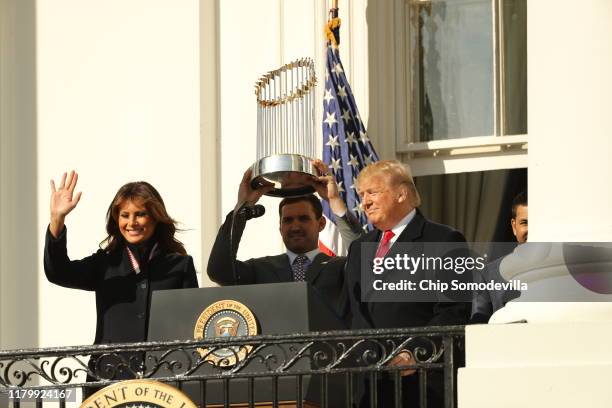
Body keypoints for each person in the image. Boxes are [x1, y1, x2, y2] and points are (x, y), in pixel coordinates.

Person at [44, 171, 198, 383]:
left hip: (165, 380)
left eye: (140, 214)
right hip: (109, 378)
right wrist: (57, 219)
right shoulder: (105, 262)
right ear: (117, 219)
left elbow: (191, 326)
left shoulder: (179, 265)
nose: (131, 222)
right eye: (125, 215)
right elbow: (58, 272)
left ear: (155, 217)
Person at [343, 160, 470, 407]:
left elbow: (455, 311)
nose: (364, 202)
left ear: (401, 193)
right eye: (361, 194)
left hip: (421, 383)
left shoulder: (444, 240)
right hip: (369, 388)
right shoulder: (359, 248)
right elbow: (354, 312)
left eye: (373, 192)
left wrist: (415, 351)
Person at [206, 167, 362, 323]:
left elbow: (367, 260)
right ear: (280, 227)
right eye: (288, 220)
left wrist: (334, 200)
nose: (295, 227)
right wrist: (241, 208)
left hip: (328, 347)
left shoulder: (341, 268)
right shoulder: (261, 269)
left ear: (320, 223)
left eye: (303, 218)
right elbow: (219, 271)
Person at [471, 192, 527, 322]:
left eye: (536, 223)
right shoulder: (489, 273)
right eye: (524, 222)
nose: (531, 229)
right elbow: (478, 325)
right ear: (514, 226)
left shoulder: (559, 267)